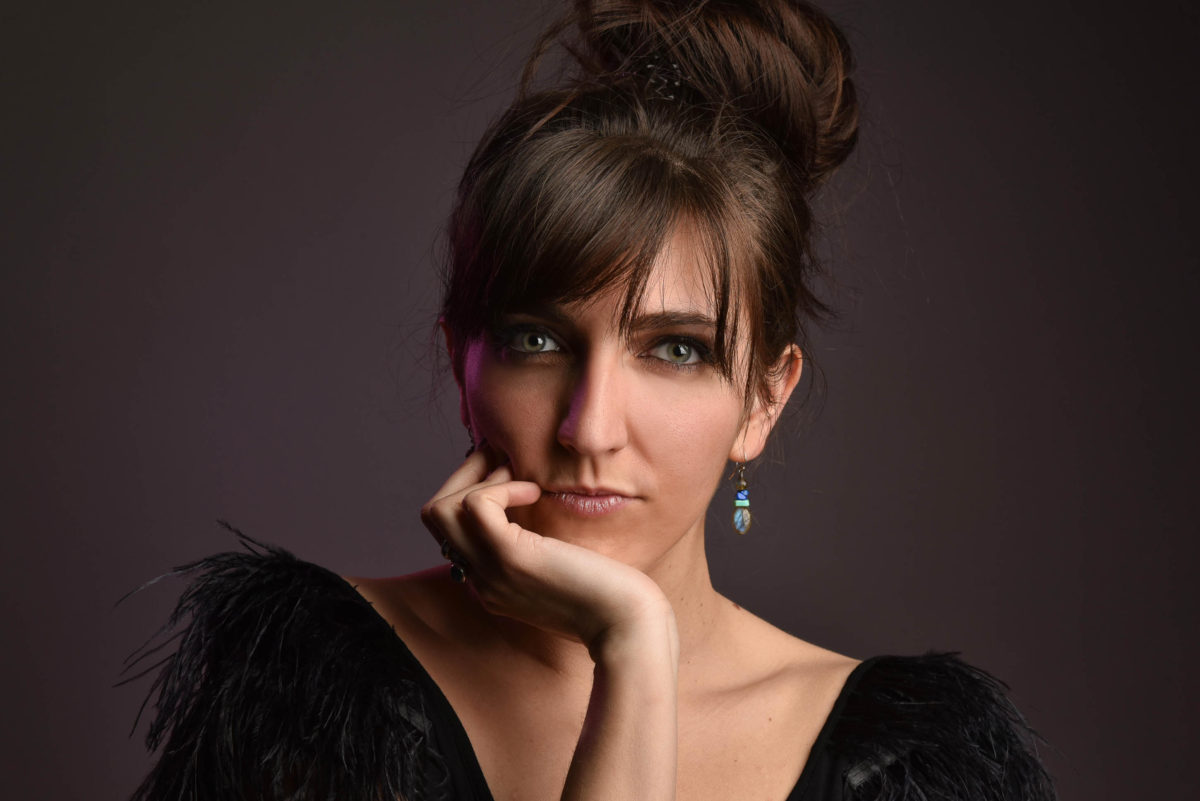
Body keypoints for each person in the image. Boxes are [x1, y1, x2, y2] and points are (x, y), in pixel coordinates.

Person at [127, 2, 1056, 800]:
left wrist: (631, 648)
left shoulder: (906, 762)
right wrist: (636, 648)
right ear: (462, 362)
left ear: (763, 401)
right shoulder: (305, 689)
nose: (589, 426)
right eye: (538, 342)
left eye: (677, 350)